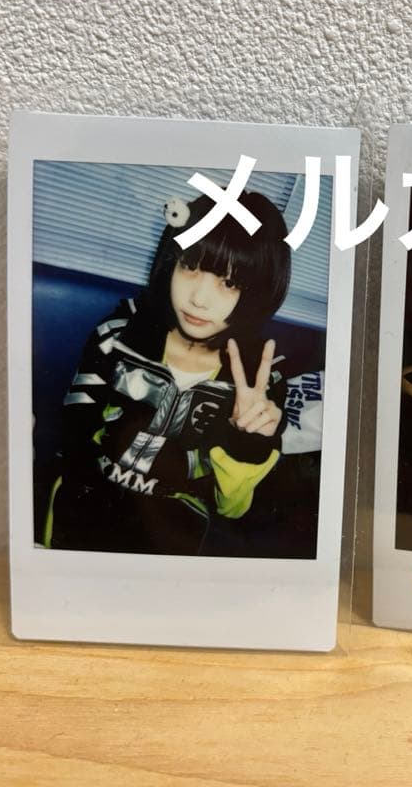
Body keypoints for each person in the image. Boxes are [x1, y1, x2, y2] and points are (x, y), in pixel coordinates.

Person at [44, 191, 291, 555]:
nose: (198, 299)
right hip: (79, 517)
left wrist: (249, 441)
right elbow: (71, 441)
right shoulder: (118, 336)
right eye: (190, 265)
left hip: (171, 544)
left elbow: (232, 508)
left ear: (257, 292)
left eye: (229, 283)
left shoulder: (258, 384)